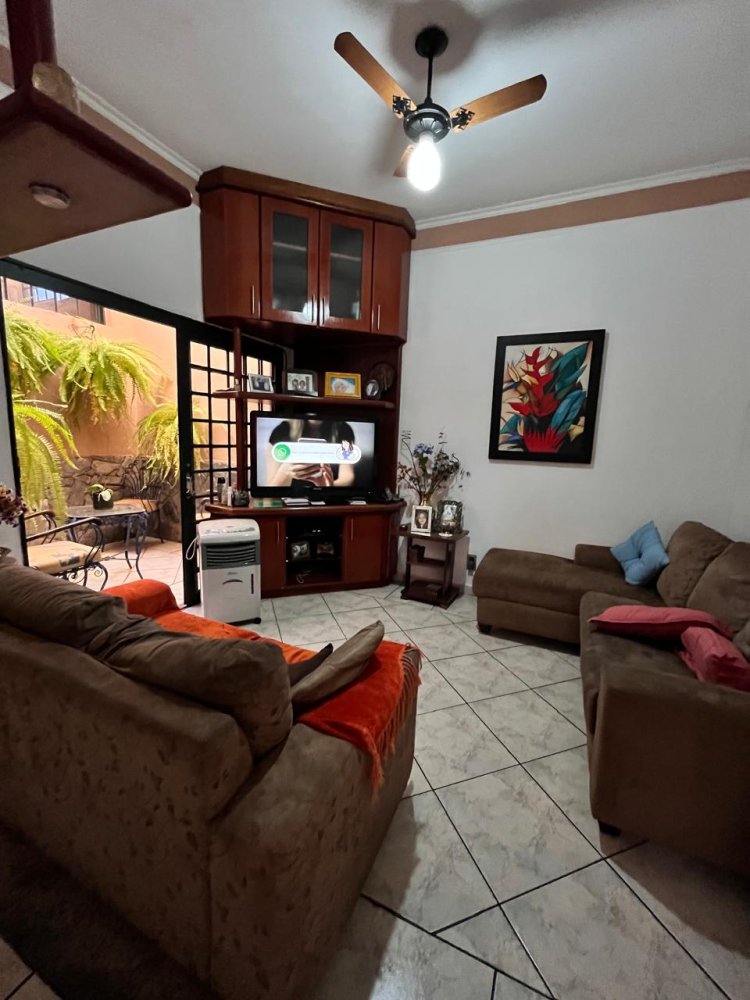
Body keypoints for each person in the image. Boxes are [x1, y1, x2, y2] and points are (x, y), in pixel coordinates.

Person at [264, 418, 360, 488]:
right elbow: (271, 488)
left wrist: (327, 486)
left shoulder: (343, 429)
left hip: (328, 500)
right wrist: (286, 471)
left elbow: (347, 477)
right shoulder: (282, 430)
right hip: (292, 499)